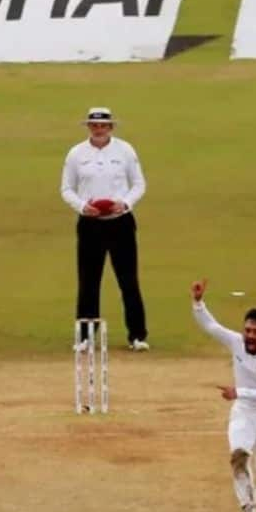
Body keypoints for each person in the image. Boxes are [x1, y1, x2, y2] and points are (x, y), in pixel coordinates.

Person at [190, 279, 256, 512]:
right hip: (243, 412)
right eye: (247, 331)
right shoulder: (236, 343)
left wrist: (239, 392)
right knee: (239, 456)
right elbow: (211, 327)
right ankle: (249, 510)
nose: (250, 336)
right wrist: (198, 302)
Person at [61, 107, 148, 351]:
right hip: (90, 225)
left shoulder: (125, 150)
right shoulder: (77, 154)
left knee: (128, 280)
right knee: (89, 281)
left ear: (111, 127)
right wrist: (82, 207)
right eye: (94, 125)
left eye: (103, 126)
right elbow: (67, 189)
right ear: (88, 127)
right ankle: (86, 337)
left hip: (120, 223)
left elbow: (139, 184)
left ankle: (137, 336)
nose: (99, 129)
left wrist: (126, 203)